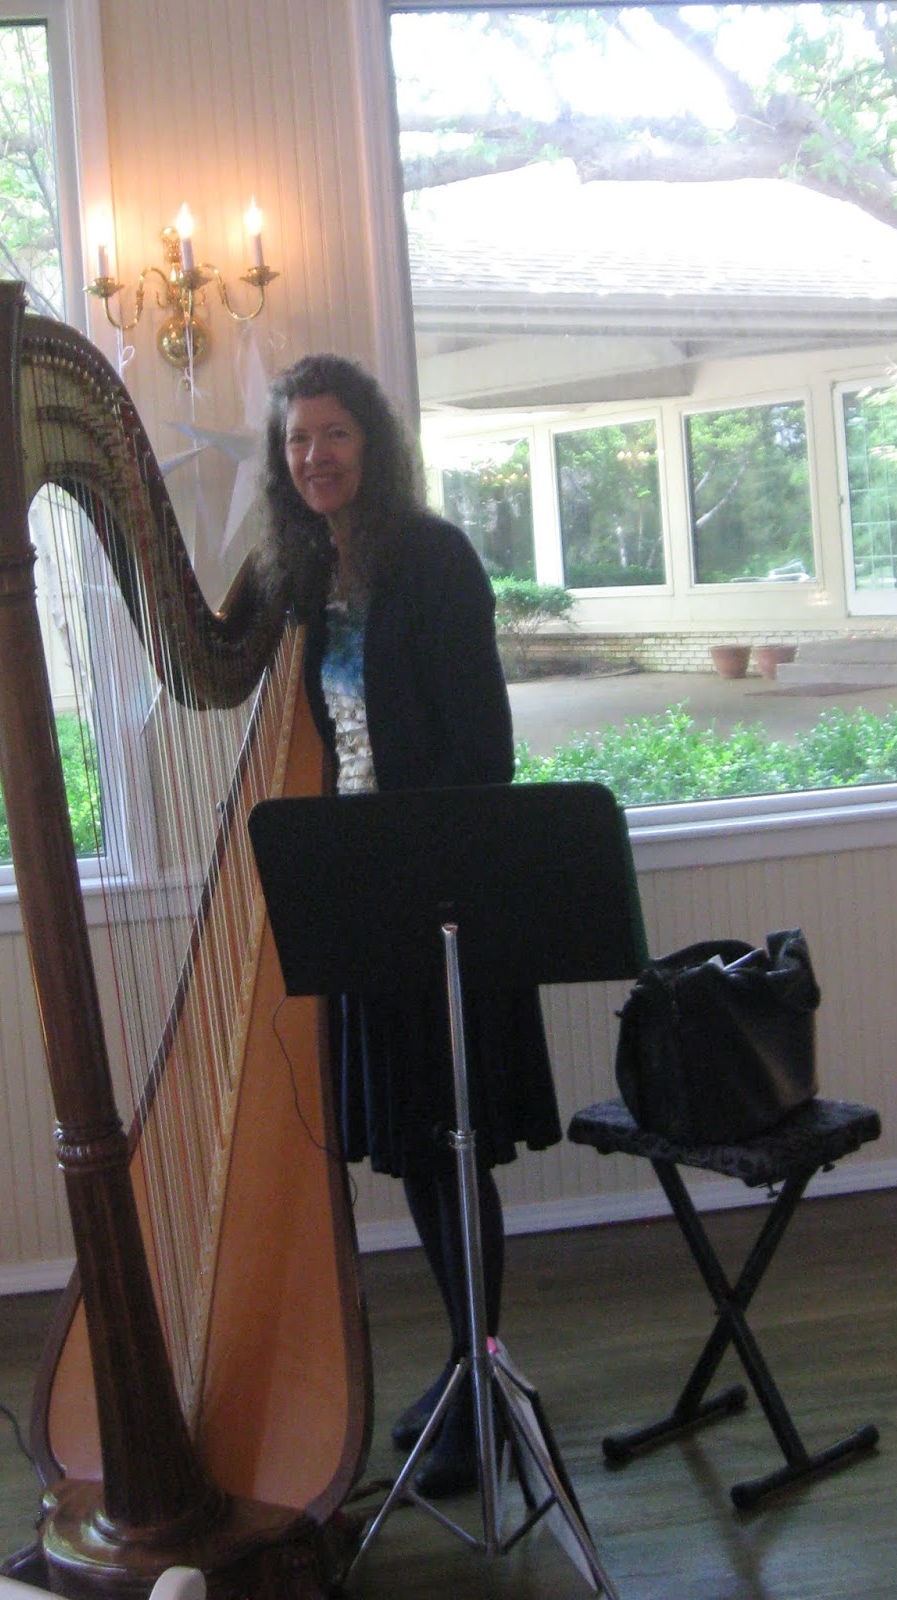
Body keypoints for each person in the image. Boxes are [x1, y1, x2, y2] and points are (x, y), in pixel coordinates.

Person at [260, 353, 561, 1497]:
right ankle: (463, 1357)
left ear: (369, 444)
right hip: (358, 891)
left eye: (333, 435)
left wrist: (418, 852)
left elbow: (482, 748)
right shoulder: (297, 575)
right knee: (418, 1149)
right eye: (296, 441)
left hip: (437, 891)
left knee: (452, 1140)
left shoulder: (430, 559)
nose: (315, 457)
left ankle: (476, 1373)